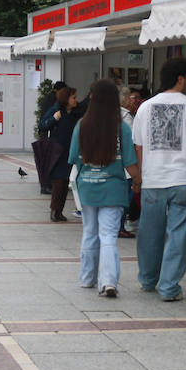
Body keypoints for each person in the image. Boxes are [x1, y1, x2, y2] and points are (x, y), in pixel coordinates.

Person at [133, 58, 186, 302]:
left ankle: (148, 280)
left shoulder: (145, 107)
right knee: (178, 234)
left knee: (149, 233)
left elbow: (138, 146)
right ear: (180, 78)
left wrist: (140, 176)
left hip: (153, 180)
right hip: (183, 181)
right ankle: (169, 287)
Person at [69, 79, 139, 297]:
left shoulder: (82, 125)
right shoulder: (122, 129)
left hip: (88, 187)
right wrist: (138, 181)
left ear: (94, 98)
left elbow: (74, 159)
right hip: (114, 188)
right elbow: (129, 163)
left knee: (90, 232)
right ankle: (108, 282)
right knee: (108, 235)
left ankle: (87, 278)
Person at [40, 85, 84, 221]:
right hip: (58, 151)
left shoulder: (76, 112)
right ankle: (54, 211)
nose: (76, 100)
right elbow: (42, 125)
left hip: (71, 151)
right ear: (66, 98)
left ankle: (59, 211)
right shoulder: (57, 110)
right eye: (73, 97)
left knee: (65, 182)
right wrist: (54, 119)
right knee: (59, 181)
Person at [119, 85, 147, 236]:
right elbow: (134, 141)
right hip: (128, 164)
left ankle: (120, 226)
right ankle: (120, 227)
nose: (137, 101)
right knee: (126, 197)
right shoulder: (126, 117)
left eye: (138, 98)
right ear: (125, 99)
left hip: (123, 164)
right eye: (133, 98)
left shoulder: (124, 115)